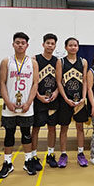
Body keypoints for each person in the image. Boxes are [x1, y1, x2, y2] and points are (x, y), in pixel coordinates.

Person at [0, 32, 39, 178]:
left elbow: (35, 84)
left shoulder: (32, 62)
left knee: (26, 135)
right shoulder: (6, 61)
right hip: (10, 106)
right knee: (9, 134)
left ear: (27, 45)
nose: (20, 45)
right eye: (17, 42)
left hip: (26, 106)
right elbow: (1, 82)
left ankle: (28, 161)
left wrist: (29, 102)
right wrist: (7, 101)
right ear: (13, 44)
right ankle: (7, 163)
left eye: (23, 43)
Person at [55, 37, 89, 168]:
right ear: (66, 47)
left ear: (78, 47)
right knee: (64, 128)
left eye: (75, 45)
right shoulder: (61, 62)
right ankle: (63, 154)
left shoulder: (83, 61)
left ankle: (81, 153)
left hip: (79, 100)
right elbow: (59, 82)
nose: (73, 47)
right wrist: (65, 98)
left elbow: (85, 81)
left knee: (80, 127)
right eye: (70, 45)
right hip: (65, 100)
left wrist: (83, 97)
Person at [31, 33, 60, 169]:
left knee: (52, 128)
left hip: (53, 100)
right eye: (48, 43)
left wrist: (56, 92)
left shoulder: (57, 61)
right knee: (36, 128)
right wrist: (37, 95)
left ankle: (50, 154)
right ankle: (34, 155)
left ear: (55, 46)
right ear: (43, 44)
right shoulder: (34, 59)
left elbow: (60, 82)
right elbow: (32, 82)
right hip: (38, 100)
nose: (50, 45)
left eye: (52, 43)